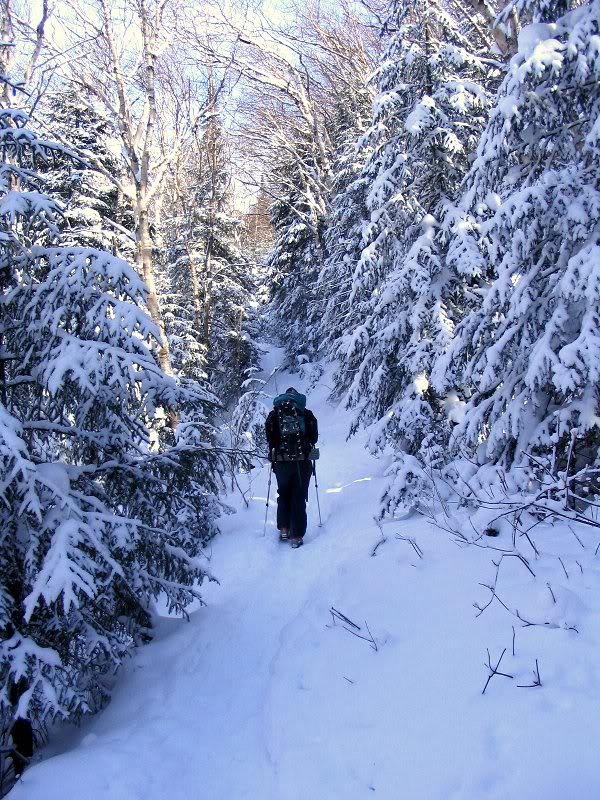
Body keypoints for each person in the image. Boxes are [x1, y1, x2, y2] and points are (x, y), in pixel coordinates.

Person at [265, 387, 318, 548]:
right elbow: (314, 438)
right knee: (299, 496)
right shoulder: (306, 414)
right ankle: (296, 537)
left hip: (281, 463)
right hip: (302, 463)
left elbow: (270, 439)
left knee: (283, 493)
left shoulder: (274, 415)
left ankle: (284, 529)